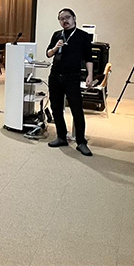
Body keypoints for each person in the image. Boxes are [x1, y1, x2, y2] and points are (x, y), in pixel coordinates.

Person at [45, 8, 94, 156]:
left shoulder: (83, 36)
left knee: (76, 109)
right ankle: (61, 136)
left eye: (67, 17)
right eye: (61, 19)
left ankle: (81, 142)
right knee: (56, 107)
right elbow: (48, 53)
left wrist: (90, 75)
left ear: (74, 18)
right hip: (55, 76)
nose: (64, 21)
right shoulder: (57, 35)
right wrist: (56, 47)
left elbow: (89, 58)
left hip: (72, 77)